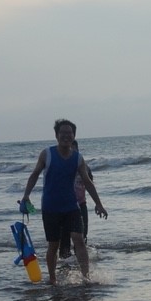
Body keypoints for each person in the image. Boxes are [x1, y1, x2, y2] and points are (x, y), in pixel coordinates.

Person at [20, 119, 109, 285]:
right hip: (50, 207)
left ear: (74, 135)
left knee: (79, 239)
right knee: (54, 245)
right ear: (56, 135)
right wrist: (26, 196)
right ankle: (52, 279)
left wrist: (98, 203)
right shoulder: (47, 154)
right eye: (63, 133)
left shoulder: (77, 158)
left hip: (71, 206)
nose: (66, 136)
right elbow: (34, 175)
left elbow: (88, 182)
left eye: (69, 133)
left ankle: (86, 277)